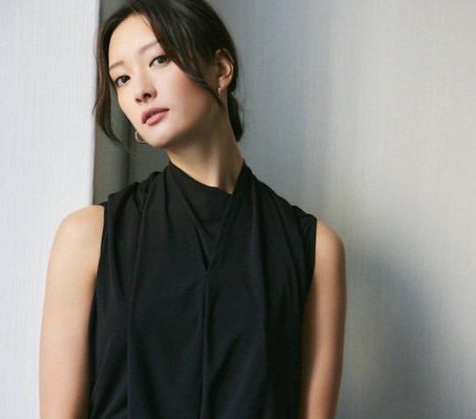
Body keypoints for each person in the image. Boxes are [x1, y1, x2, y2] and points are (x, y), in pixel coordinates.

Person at [39, 0, 346, 418]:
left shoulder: (313, 249)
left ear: (221, 69)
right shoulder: (88, 236)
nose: (140, 89)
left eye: (159, 59)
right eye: (122, 78)